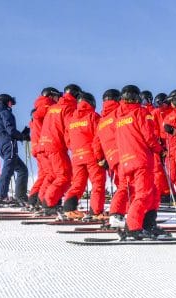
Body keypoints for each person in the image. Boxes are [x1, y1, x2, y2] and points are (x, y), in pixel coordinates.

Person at [115, 85, 166, 240]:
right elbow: (149, 137)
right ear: (137, 97)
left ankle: (148, 224)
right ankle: (132, 227)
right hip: (140, 160)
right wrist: (160, 150)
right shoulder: (141, 112)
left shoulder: (118, 117)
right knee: (144, 194)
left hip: (125, 161)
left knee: (151, 192)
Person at [38, 84, 82, 215]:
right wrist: (73, 147)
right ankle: (49, 203)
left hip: (44, 143)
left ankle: (43, 201)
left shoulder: (53, 107)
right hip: (56, 146)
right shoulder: (69, 107)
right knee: (64, 176)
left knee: (52, 175)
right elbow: (70, 129)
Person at [62, 92, 106, 220]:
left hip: (76, 156)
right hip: (92, 155)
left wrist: (76, 150)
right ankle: (96, 212)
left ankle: (69, 209)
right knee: (98, 183)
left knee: (78, 183)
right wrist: (101, 157)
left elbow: (68, 140)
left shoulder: (71, 120)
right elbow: (99, 138)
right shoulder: (93, 117)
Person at [95, 89, 128, 228]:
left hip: (111, 157)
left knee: (122, 184)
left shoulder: (102, 120)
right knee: (126, 185)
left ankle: (124, 213)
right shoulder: (119, 112)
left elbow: (96, 142)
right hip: (124, 153)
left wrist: (100, 158)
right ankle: (116, 214)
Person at [0, 93, 31, 206]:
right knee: (8, 169)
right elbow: (11, 131)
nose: (11, 105)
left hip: (0, 144)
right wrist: (23, 136)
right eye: (10, 102)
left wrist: (21, 135)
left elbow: (5, 131)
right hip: (8, 144)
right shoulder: (5, 113)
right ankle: (1, 196)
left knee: (22, 169)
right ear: (5, 102)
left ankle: (20, 196)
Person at [27, 87, 60, 209]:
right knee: (52, 174)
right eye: (57, 96)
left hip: (38, 146)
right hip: (44, 146)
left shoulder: (39, 107)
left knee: (44, 174)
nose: (58, 99)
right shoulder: (47, 107)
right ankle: (42, 200)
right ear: (51, 96)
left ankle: (33, 199)